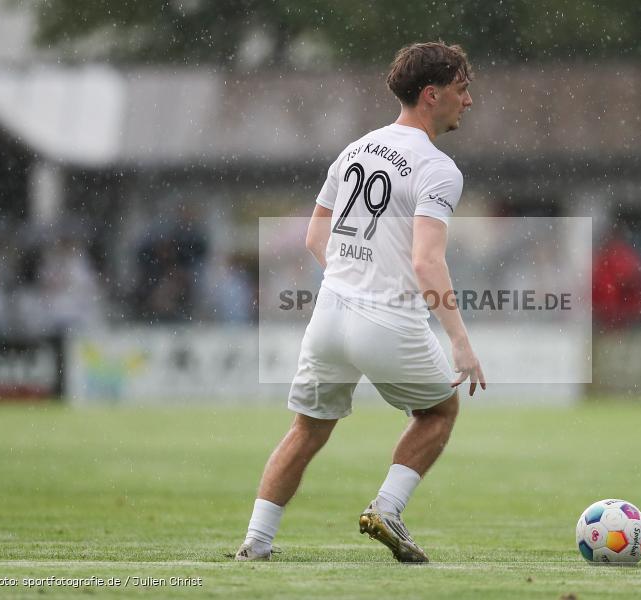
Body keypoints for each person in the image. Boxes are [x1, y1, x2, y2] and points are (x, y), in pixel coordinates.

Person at [235, 42, 485, 564]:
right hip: (387, 321)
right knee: (439, 411)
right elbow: (427, 263)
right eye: (461, 91)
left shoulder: (356, 149)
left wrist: (352, 276)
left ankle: (255, 542)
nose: (468, 101)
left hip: (329, 315)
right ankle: (388, 509)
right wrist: (460, 341)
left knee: (306, 429)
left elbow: (313, 236)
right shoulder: (438, 169)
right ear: (431, 94)